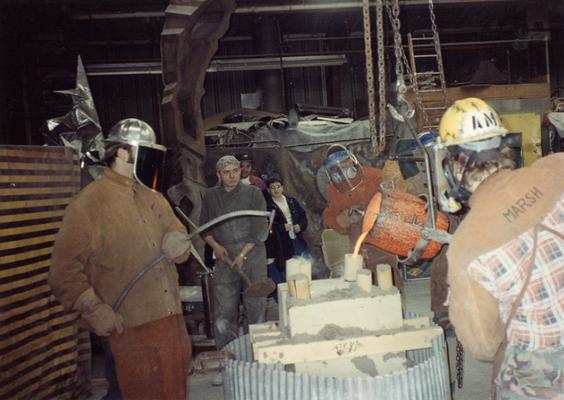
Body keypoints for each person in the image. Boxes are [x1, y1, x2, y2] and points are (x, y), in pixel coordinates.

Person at [48, 118, 193, 400]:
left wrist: (178, 241)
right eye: (146, 152)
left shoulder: (153, 197)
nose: (152, 161)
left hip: (171, 323)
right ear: (123, 153)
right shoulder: (88, 205)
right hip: (128, 329)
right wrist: (92, 308)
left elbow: (178, 231)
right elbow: (62, 271)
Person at [433, 98, 564, 399]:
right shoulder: (558, 168)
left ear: (455, 167)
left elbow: (484, 346)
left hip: (544, 377)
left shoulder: (467, 247)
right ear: (506, 148)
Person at [199, 155, 268, 353]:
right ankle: (227, 358)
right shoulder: (210, 196)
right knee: (224, 310)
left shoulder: (254, 193)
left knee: (255, 307)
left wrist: (242, 254)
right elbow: (204, 227)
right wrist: (215, 247)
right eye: (226, 172)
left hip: (253, 255)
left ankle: (257, 355)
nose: (232, 176)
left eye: (235, 171)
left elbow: (260, 228)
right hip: (224, 257)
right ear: (219, 174)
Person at [321, 144, 401, 288]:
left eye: (345, 162)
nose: (342, 169)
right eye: (335, 167)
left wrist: (375, 210)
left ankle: (395, 304)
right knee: (362, 281)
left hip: (380, 234)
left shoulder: (375, 175)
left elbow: (395, 200)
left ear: (352, 160)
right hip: (357, 240)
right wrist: (344, 219)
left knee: (388, 277)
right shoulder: (332, 189)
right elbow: (330, 217)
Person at [265, 176, 310, 298]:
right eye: (272, 188)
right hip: (282, 244)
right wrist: (281, 228)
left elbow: (303, 216)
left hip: (297, 239)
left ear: (282, 187)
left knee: (304, 263)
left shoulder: (291, 201)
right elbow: (267, 226)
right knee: (288, 269)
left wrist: (300, 226)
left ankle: (305, 291)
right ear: (268, 190)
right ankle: (291, 295)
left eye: (278, 186)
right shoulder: (268, 206)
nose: (276, 190)